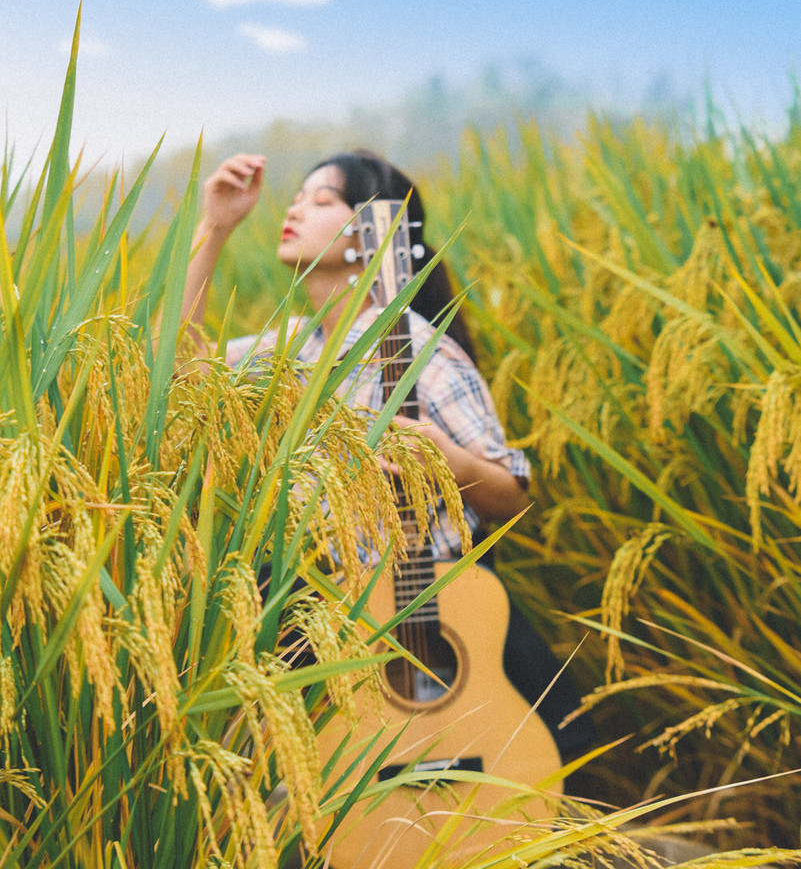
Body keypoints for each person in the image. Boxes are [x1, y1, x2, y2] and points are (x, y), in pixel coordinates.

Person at [180, 149, 594, 762]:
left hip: (435, 625)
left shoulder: (425, 354)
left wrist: (453, 463)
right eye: (297, 196)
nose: (295, 206)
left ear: (374, 236)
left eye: (322, 200)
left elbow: (512, 497)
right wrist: (213, 228)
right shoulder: (287, 352)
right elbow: (180, 372)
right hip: (322, 633)